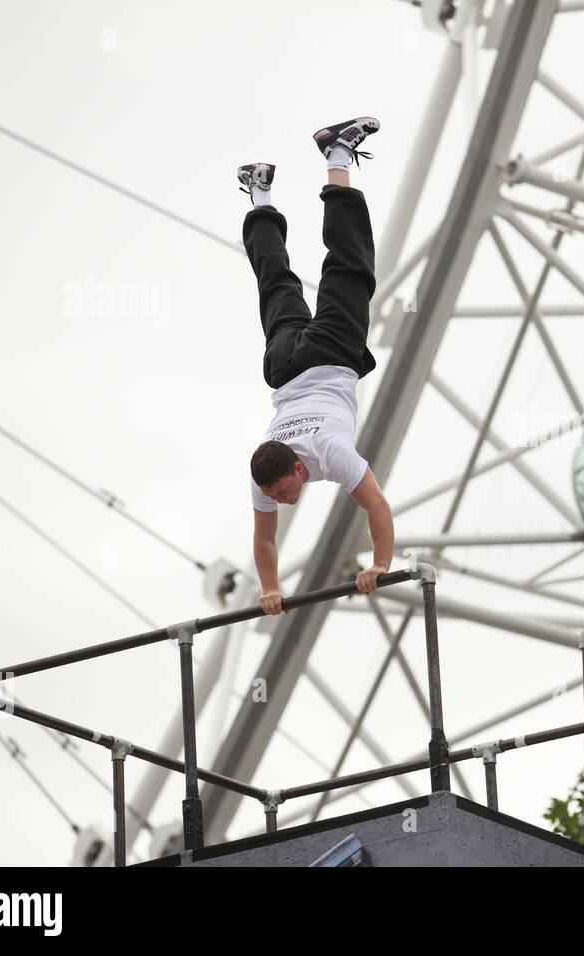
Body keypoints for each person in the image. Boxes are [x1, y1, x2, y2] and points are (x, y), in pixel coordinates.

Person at [239, 117, 394, 615]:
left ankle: (338, 157)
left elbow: (377, 505)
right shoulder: (267, 472)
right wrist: (268, 588)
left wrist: (382, 565)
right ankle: (259, 194)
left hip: (325, 355)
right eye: (279, 496)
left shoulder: (330, 451)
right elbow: (265, 540)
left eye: (284, 493)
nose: (282, 502)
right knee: (274, 283)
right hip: (283, 365)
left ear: (299, 465)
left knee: (348, 264)